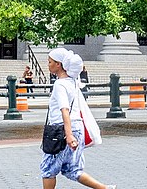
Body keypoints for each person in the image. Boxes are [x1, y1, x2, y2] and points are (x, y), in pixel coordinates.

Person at [41, 48, 114, 189]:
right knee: (72, 169)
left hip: (61, 130)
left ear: (59, 64)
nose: (48, 65)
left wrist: (69, 135)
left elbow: (64, 109)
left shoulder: (60, 84)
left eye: (50, 62)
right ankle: (105, 188)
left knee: (48, 169)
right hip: (77, 127)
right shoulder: (73, 82)